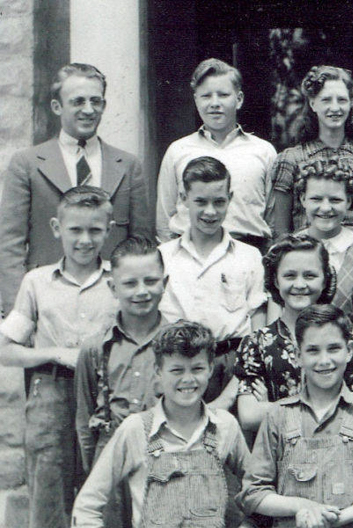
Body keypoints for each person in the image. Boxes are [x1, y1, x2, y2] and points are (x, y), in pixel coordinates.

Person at [0, 186, 118, 528]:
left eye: (95, 230)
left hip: (105, 396)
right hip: (51, 394)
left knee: (107, 500)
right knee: (49, 499)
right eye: (75, 230)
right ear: (56, 228)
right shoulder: (37, 282)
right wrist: (55, 354)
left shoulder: (118, 280)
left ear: (109, 229)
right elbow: (6, 350)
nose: (85, 240)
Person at [71, 320, 253, 528]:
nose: (188, 379)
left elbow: (259, 488)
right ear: (158, 371)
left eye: (197, 369)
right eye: (176, 370)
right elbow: (86, 506)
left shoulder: (225, 427)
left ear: (210, 368)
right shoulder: (136, 430)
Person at [238, 304, 353, 528]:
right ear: (297, 355)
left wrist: (336, 518)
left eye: (333, 348)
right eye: (312, 350)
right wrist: (302, 507)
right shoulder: (278, 415)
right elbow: (253, 492)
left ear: (349, 350)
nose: (324, 361)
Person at [0, 62, 152, 316]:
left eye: (96, 101)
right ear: (57, 106)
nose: (89, 110)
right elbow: (10, 245)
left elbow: (141, 245)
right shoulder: (27, 164)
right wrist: (19, 312)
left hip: (111, 302)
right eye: (78, 101)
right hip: (47, 302)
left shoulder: (127, 165)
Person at [74, 237, 169, 528]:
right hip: (110, 454)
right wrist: (97, 469)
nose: (142, 291)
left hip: (165, 455)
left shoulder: (180, 343)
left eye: (151, 281)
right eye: (130, 283)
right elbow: (85, 420)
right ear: (113, 288)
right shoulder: (95, 347)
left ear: (165, 283)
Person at [158, 156, 268, 411]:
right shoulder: (163, 257)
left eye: (219, 202)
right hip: (178, 370)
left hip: (233, 368)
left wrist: (230, 396)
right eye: (200, 201)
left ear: (230, 198)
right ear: (184, 198)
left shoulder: (249, 256)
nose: (210, 212)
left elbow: (258, 333)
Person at [156, 58, 277, 253]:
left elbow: (273, 219)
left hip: (249, 252)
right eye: (206, 96)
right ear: (196, 100)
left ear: (239, 99)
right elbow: (164, 220)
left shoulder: (264, 151)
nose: (214, 103)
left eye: (223, 95)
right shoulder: (178, 151)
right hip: (189, 253)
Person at [296, 158, 353, 397]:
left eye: (335, 200)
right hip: (298, 368)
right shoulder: (285, 249)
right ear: (302, 199)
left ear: (349, 202)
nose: (325, 208)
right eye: (316, 199)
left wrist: (339, 367)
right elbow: (279, 322)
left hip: (352, 366)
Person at [234, 234, 336, 434]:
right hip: (278, 450)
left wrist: (272, 408)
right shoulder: (256, 343)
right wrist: (321, 408)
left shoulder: (341, 340)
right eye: (290, 276)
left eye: (310, 276)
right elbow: (249, 416)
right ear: (276, 280)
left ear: (325, 280)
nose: (300, 284)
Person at [267, 65, 353, 240]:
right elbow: (280, 230)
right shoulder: (291, 159)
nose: (335, 108)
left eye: (342, 100)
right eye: (326, 100)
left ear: (350, 103)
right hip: (306, 252)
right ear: (313, 104)